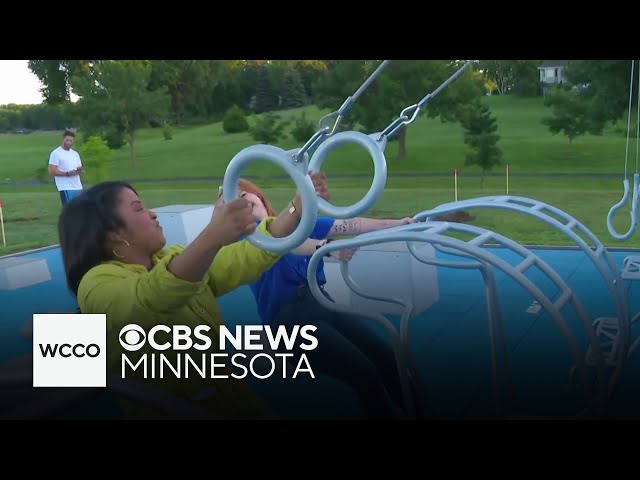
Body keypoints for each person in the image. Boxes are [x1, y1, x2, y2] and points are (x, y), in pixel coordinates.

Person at [57, 172, 330, 420]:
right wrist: (212, 236)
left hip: (233, 400)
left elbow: (241, 257)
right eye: (139, 208)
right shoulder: (96, 283)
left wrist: (295, 210)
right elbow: (152, 299)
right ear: (114, 235)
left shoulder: (168, 257)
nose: (152, 213)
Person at [235, 178, 417, 419]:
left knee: (387, 358)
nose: (243, 202)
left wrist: (400, 224)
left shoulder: (301, 227)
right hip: (290, 323)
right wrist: (325, 247)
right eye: (235, 201)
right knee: (365, 374)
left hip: (321, 303)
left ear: (260, 197)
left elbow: (354, 225)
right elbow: (285, 245)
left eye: (245, 196)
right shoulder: (250, 240)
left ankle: (421, 411)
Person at [48, 130, 84, 206]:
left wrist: (79, 170)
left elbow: (78, 167)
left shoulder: (75, 154)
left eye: (71, 140)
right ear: (63, 139)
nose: (69, 142)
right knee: (68, 209)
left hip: (77, 186)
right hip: (66, 187)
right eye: (67, 140)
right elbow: (52, 171)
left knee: (79, 209)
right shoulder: (56, 153)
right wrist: (67, 173)